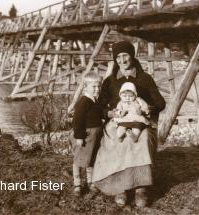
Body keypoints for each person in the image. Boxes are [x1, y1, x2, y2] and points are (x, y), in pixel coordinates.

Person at [92, 41, 166, 207]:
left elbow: (161, 103)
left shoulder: (145, 79)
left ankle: (140, 188)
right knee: (117, 139)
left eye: (125, 55)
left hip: (140, 122)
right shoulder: (110, 81)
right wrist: (108, 113)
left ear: (132, 56)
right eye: (118, 57)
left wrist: (148, 110)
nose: (122, 60)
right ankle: (121, 187)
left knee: (143, 138)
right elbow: (100, 106)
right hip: (117, 121)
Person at [70, 72, 103, 196]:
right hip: (86, 135)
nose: (97, 89)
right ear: (85, 88)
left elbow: (99, 114)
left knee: (92, 158)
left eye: (99, 86)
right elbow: (77, 121)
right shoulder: (83, 101)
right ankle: (77, 184)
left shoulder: (95, 100)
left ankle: (91, 182)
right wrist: (79, 137)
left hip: (96, 135)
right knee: (79, 159)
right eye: (94, 87)